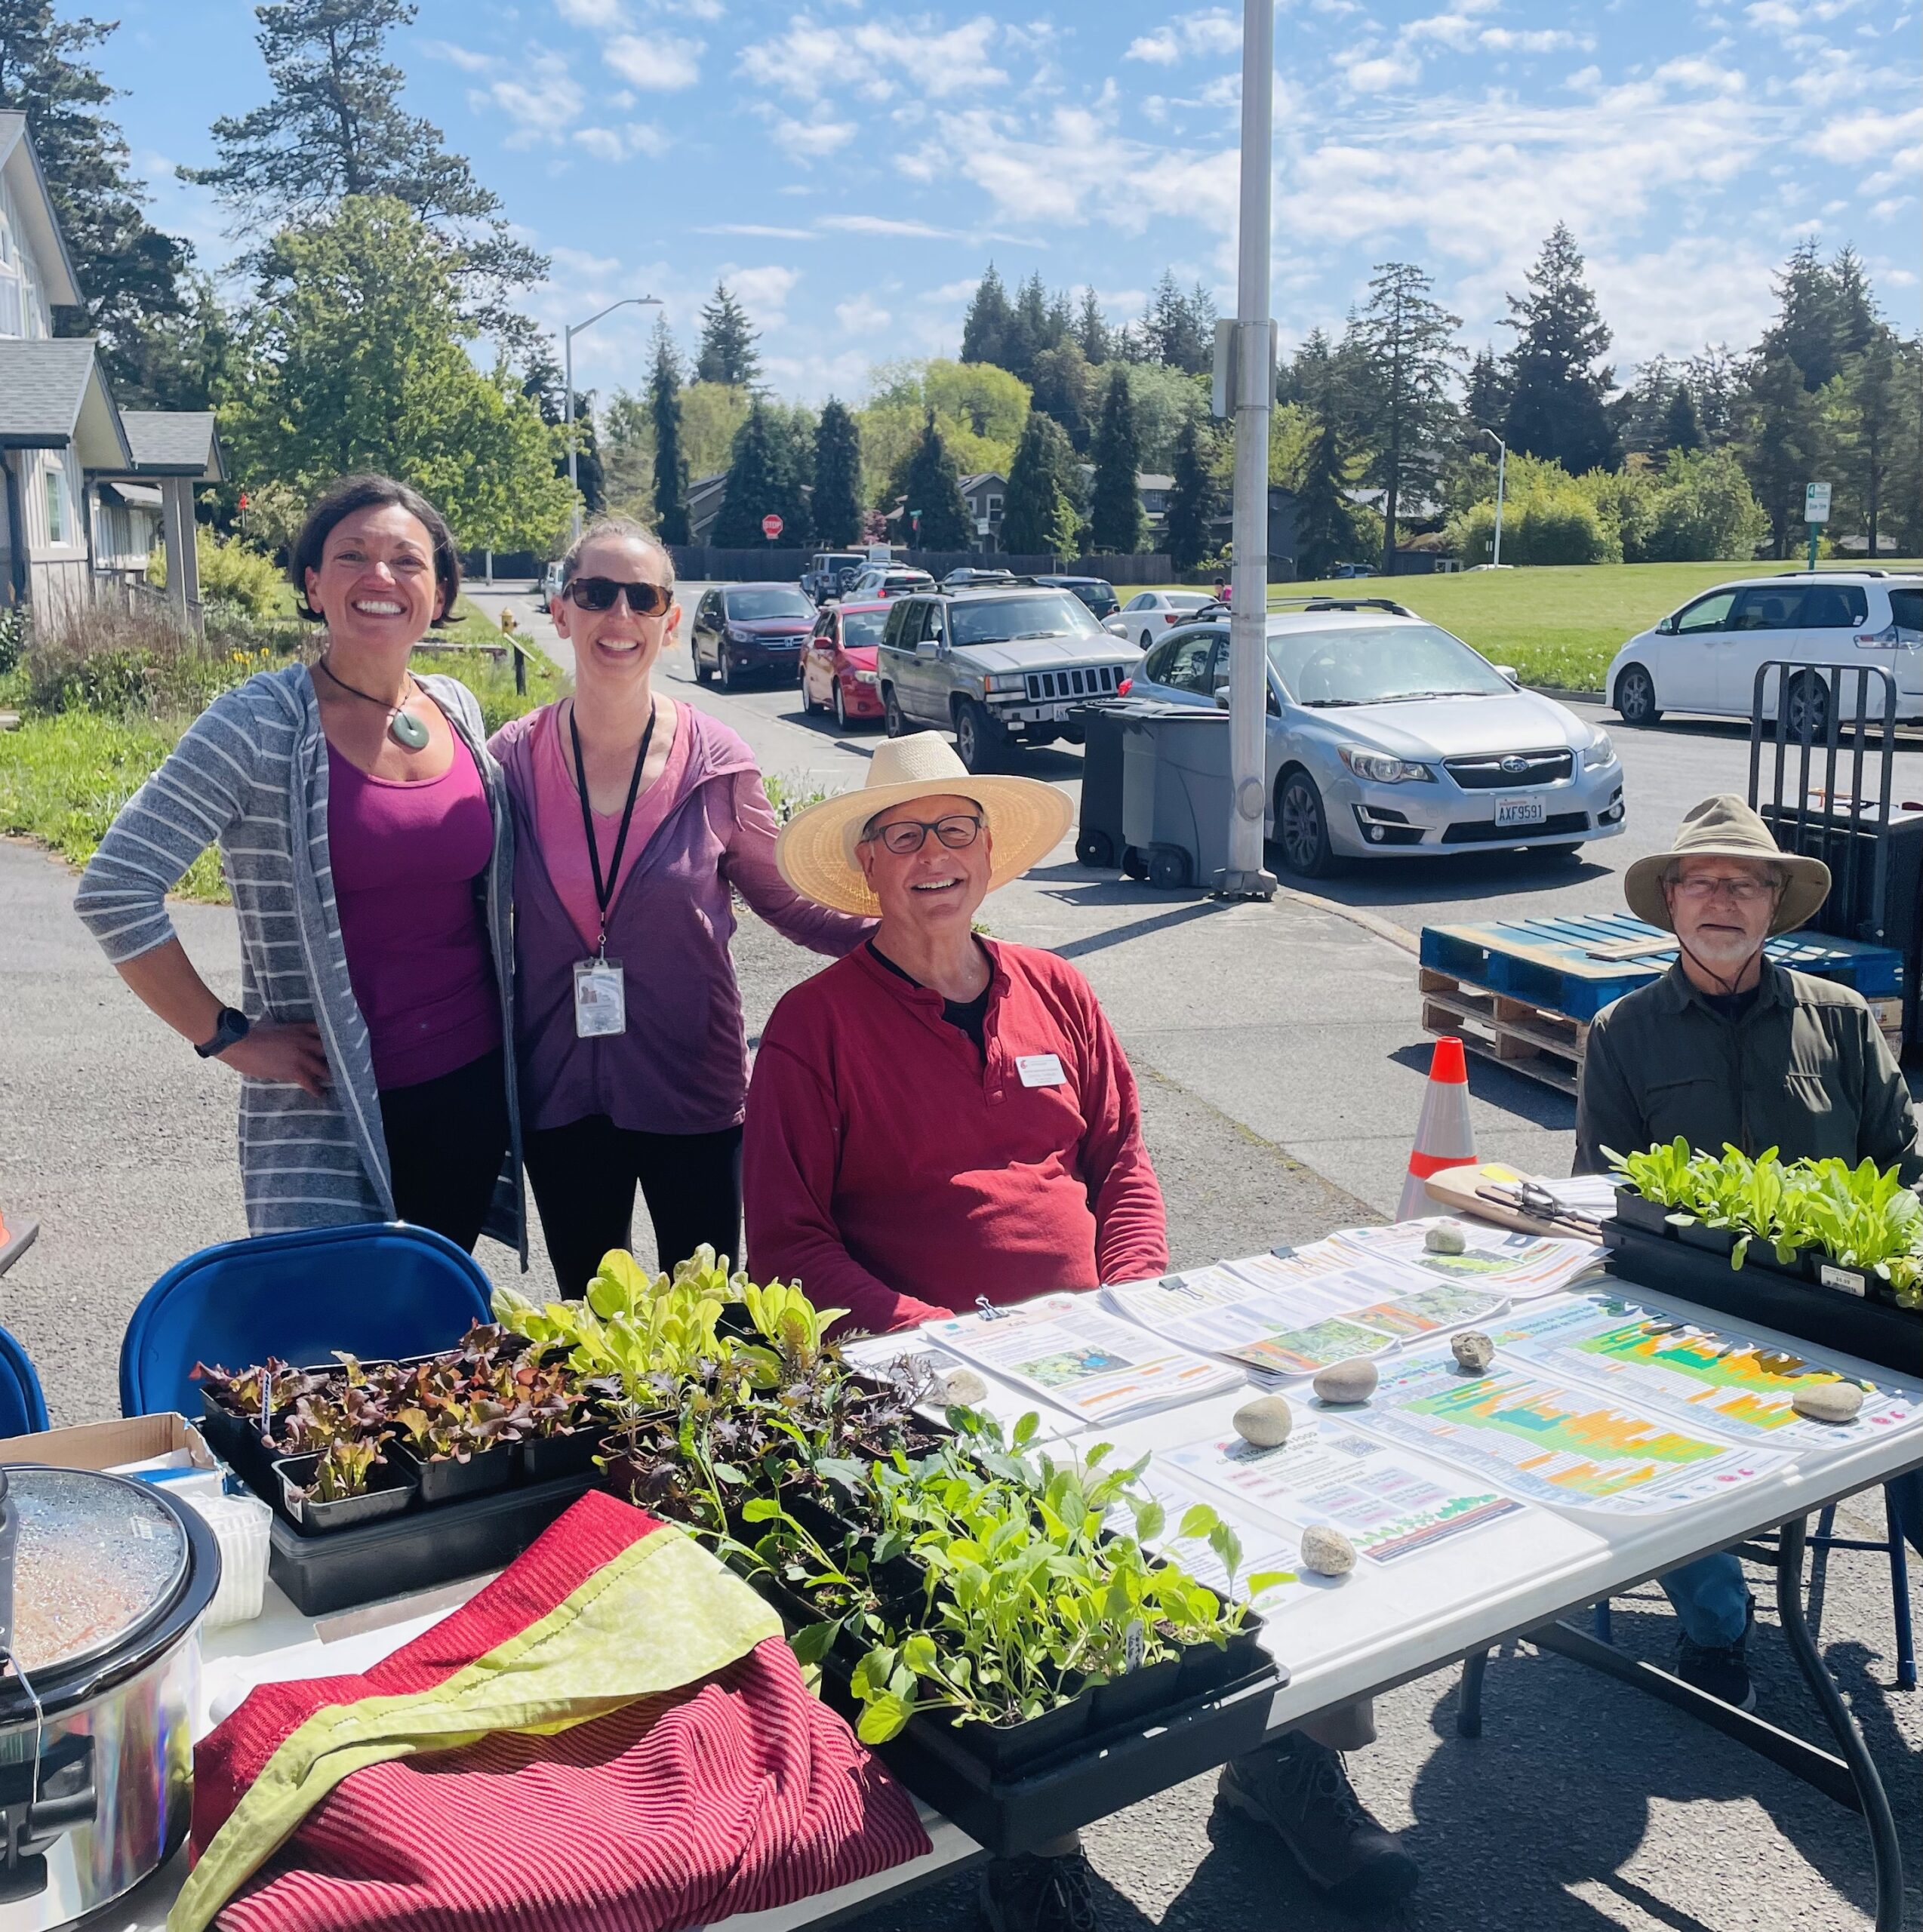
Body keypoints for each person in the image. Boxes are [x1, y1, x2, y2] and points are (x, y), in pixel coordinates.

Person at [744, 734, 1417, 1927]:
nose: (934, 856)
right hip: (933, 1382)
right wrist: (943, 1344)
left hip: (1109, 1343)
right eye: (903, 836)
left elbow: (1123, 1167)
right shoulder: (815, 1026)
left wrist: (1137, 1299)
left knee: (1270, 1524)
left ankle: (1282, 1765)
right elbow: (788, 1249)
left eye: (954, 830)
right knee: (1021, 1609)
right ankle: (1038, 1850)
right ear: (868, 867)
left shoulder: (1058, 989)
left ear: (988, 854)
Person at [75, 475, 521, 1257]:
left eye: (406, 561)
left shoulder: (452, 705)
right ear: (313, 584)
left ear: (441, 589)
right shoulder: (259, 723)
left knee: (440, 1348)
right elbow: (116, 886)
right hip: (331, 1111)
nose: (380, 577)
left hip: (468, 1090)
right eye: (352, 556)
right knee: (335, 1354)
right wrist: (228, 1037)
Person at [1574, 792, 1923, 1709]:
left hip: (1841, 1315)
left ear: (1773, 904)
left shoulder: (1842, 1020)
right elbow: (1598, 1197)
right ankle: (1719, 1626)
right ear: (1673, 901)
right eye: (1701, 881)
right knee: (1645, 1429)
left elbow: (1906, 1172)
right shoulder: (1622, 1034)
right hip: (1687, 1320)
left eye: (1744, 883)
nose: (1721, 899)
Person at [491, 516, 870, 1295]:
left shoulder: (716, 760)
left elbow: (787, 901)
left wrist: (906, 935)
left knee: (705, 1324)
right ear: (561, 612)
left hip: (691, 1090)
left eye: (643, 597)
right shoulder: (511, 764)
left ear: (668, 624)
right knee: (592, 1325)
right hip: (559, 1092)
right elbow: (455, 914)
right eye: (596, 593)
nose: (618, 616)